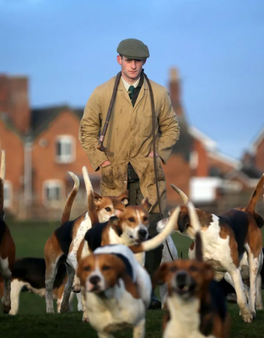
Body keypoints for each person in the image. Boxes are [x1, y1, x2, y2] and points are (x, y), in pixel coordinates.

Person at [79, 38, 180, 309]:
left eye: (138, 61)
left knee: (154, 235)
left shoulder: (158, 93)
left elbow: (172, 128)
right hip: (115, 179)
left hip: (150, 179)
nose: (133, 65)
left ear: (144, 62)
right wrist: (100, 161)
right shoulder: (102, 93)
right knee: (114, 236)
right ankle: (118, 288)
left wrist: (159, 153)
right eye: (128, 60)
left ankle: (147, 290)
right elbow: (86, 130)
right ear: (119, 60)